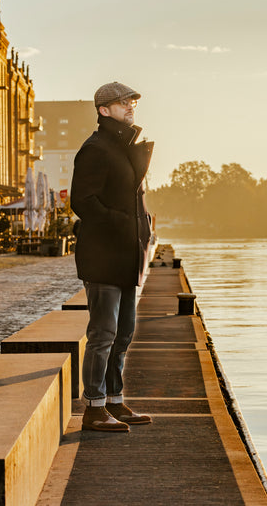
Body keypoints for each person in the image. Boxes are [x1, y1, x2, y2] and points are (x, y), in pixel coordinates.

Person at [70, 81, 155, 432]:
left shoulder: (123, 147)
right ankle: (94, 407)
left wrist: (144, 227)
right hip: (103, 255)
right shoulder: (96, 148)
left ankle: (115, 402)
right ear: (104, 110)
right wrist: (122, 224)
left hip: (126, 254)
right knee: (103, 334)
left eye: (132, 101)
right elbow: (82, 201)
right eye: (122, 102)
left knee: (124, 333)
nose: (130, 106)